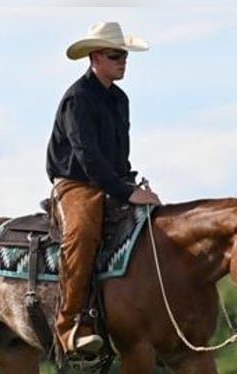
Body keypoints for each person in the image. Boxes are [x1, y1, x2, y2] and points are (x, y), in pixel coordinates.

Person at [46, 21, 161, 356]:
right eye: (115, 55)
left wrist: (131, 185)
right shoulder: (77, 99)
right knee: (82, 234)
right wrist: (127, 193)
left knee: (157, 223)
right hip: (76, 182)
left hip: (112, 180)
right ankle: (68, 327)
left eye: (124, 55)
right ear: (95, 57)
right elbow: (89, 158)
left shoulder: (119, 99)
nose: (122, 61)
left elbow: (116, 154)